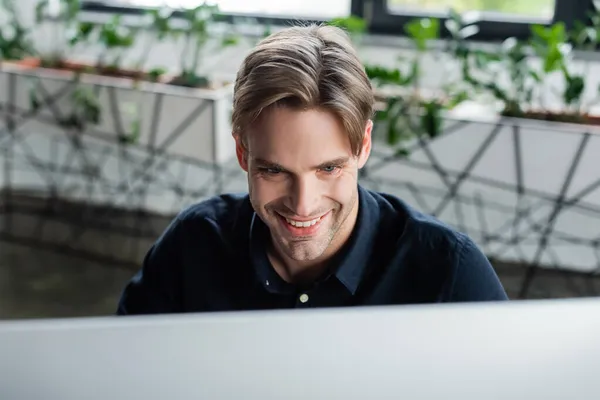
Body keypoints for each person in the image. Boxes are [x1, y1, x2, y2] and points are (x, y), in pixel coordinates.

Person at [116, 24, 508, 315]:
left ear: (364, 146)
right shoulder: (193, 246)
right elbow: (121, 372)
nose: (303, 205)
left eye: (329, 169)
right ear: (242, 153)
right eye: (274, 170)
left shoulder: (448, 271)